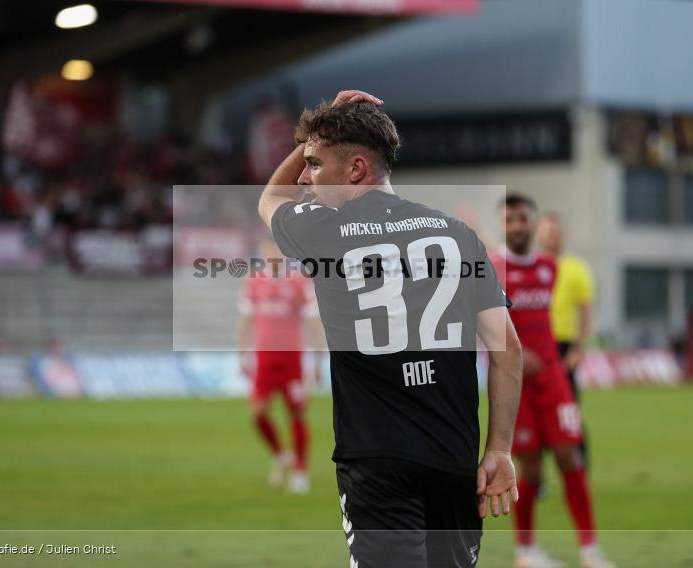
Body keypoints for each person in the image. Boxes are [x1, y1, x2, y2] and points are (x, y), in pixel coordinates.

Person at [258, 90, 524, 568]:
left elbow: (273, 196)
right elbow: (508, 348)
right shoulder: (458, 235)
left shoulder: (323, 231)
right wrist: (499, 449)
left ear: (355, 169)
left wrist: (322, 127)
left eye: (315, 164)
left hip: (376, 463)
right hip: (454, 461)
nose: (304, 176)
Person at [491, 194, 614, 568]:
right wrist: (511, 353)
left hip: (554, 379)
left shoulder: (549, 268)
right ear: (502, 225)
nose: (516, 226)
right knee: (529, 467)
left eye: (523, 219)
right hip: (515, 386)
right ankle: (526, 551)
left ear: (534, 223)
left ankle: (590, 550)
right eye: (509, 220)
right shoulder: (492, 269)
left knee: (570, 455)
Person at [237, 237, 324, 494]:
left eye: (276, 250)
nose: (272, 255)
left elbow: (312, 322)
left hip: (291, 359)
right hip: (264, 359)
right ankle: (281, 454)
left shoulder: (299, 283)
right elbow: (245, 320)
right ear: (262, 253)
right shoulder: (253, 282)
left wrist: (318, 360)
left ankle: (300, 471)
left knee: (296, 413)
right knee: (257, 413)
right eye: (267, 250)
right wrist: (241, 355)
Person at [536, 212, 595, 466]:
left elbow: (585, 312)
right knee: (532, 411)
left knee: (569, 411)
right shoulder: (530, 264)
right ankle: (534, 476)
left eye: (556, 231)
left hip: (562, 346)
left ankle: (580, 467)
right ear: (539, 235)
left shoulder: (576, 268)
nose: (552, 235)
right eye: (548, 231)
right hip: (534, 347)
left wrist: (578, 349)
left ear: (564, 234)